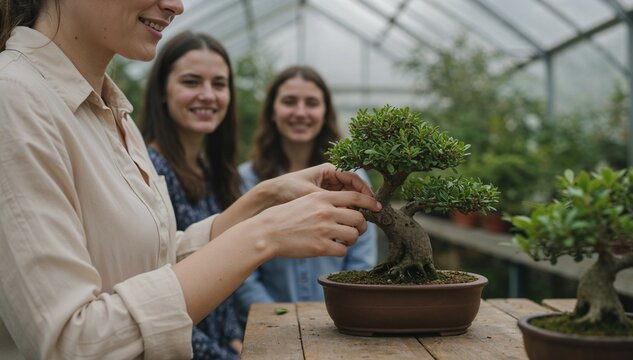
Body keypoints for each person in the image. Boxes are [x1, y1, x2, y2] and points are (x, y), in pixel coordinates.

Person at [0, 1, 381, 359]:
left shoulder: (114, 115)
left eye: (219, 83)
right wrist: (263, 234)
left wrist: (267, 195)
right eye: (192, 82)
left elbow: (157, 262)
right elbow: (72, 341)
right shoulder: (15, 101)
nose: (176, 6)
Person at [232, 65, 378, 327]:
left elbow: (363, 261)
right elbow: (238, 270)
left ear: (324, 113)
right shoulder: (248, 182)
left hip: (340, 323)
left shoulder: (350, 178)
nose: (300, 112)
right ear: (273, 112)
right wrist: (276, 318)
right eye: (289, 101)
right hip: (266, 325)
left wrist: (334, 316)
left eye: (311, 103)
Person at [140, 31, 243, 359]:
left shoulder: (212, 172)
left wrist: (236, 340)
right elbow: (154, 297)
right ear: (162, 92)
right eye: (191, 82)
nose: (208, 95)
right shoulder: (149, 171)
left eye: (219, 83)